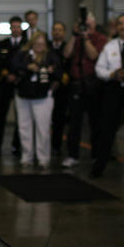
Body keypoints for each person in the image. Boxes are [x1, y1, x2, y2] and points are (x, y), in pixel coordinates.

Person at [91, 13, 124, 177]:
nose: (123, 26)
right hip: (113, 89)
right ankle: (99, 166)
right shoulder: (110, 46)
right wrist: (112, 74)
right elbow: (99, 69)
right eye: (120, 23)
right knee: (106, 128)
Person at [61, 11, 107, 167]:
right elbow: (66, 53)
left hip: (93, 85)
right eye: (83, 23)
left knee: (95, 123)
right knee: (74, 123)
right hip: (76, 85)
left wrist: (86, 37)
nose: (85, 26)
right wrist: (75, 35)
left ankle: (96, 155)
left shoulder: (100, 39)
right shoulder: (76, 38)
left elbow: (93, 55)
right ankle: (72, 155)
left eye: (88, 23)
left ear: (93, 24)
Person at [11, 33, 63, 168]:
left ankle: (43, 158)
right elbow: (13, 66)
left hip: (43, 96)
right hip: (23, 95)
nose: (39, 47)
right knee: (24, 127)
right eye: (36, 44)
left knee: (43, 128)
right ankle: (26, 156)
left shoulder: (51, 56)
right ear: (32, 43)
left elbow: (59, 72)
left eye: (41, 44)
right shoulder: (23, 54)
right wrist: (27, 67)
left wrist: (51, 71)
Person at [0, 16, 26, 157]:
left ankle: (17, 147)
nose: (16, 29)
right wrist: (6, 74)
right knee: (0, 117)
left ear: (21, 28)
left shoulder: (27, 44)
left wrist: (18, 75)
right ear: (10, 28)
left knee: (21, 118)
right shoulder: (2, 44)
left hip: (21, 85)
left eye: (18, 27)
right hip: (5, 84)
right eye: (13, 27)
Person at [49, 21, 71, 161]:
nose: (57, 32)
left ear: (64, 32)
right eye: (55, 30)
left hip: (62, 89)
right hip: (47, 87)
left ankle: (56, 146)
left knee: (59, 119)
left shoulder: (67, 47)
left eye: (60, 30)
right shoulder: (47, 47)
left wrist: (62, 78)